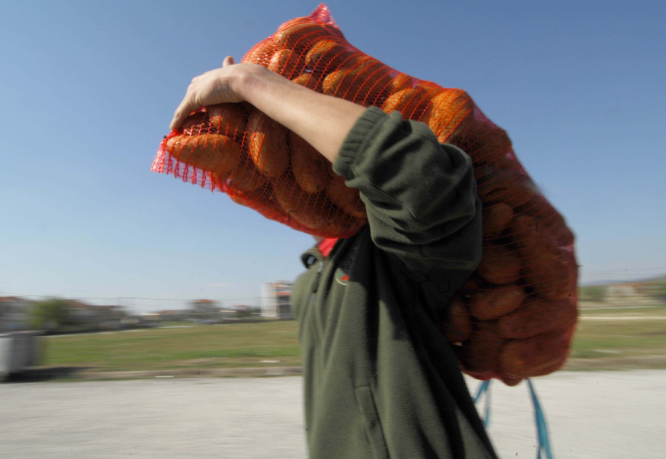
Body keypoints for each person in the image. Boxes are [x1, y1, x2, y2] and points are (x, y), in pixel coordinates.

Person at [171, 57, 498, 459]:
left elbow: (419, 175)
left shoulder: (396, 251)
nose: (267, 176)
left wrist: (252, 82)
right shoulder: (309, 280)